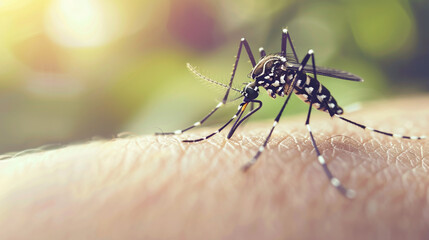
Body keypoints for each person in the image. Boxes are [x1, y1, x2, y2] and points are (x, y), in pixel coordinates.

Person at [0, 96, 427, 239]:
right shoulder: (256, 85)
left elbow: (273, 101)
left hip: (313, 88)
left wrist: (260, 150)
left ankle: (323, 152)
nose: (245, 103)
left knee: (289, 78)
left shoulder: (277, 86)